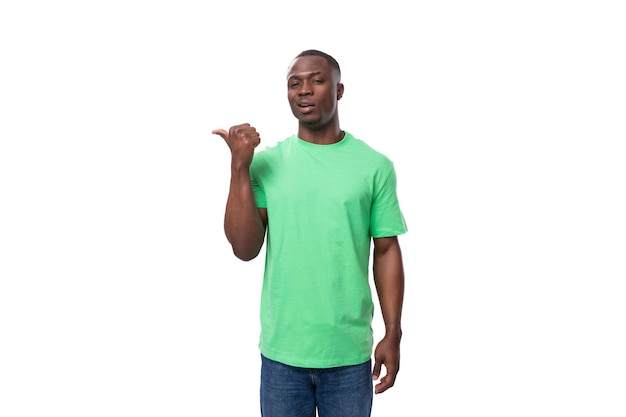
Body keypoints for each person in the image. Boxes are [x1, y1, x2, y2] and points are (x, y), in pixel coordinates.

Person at [212, 49, 408, 417]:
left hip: (349, 354)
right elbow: (244, 247)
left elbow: (386, 250)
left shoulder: (374, 167)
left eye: (317, 80)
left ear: (339, 90)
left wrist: (393, 332)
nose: (304, 90)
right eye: (294, 83)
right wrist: (240, 167)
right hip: (282, 354)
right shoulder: (266, 163)